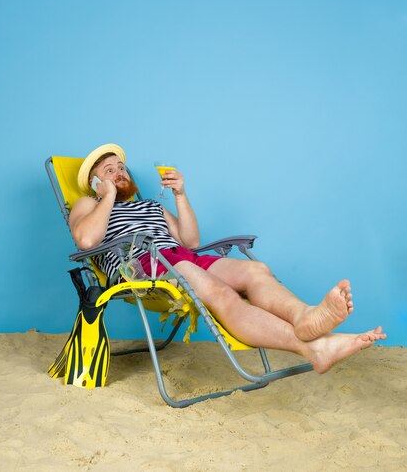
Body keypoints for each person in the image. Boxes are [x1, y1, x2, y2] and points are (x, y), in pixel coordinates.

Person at [70, 143, 386, 374]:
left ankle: (305, 317)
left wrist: (180, 195)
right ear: (94, 183)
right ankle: (313, 347)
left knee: (255, 270)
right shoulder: (88, 205)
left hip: (179, 257)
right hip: (142, 267)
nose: (118, 173)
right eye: (108, 171)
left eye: (121, 168)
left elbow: (191, 241)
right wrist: (107, 196)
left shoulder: (151, 206)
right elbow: (85, 240)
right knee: (221, 293)